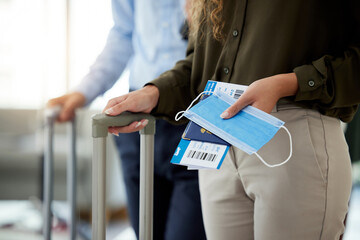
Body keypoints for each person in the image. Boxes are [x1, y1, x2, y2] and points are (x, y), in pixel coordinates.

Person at [103, 0, 360, 239]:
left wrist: (289, 83)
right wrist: (154, 92)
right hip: (217, 142)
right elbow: (200, 65)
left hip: (291, 137)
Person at [47, 1, 206, 239]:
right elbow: (123, 33)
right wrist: (84, 92)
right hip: (139, 119)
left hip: (195, 114)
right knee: (146, 231)